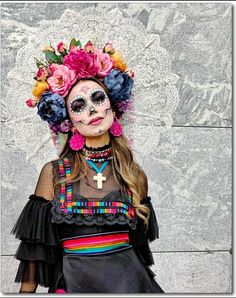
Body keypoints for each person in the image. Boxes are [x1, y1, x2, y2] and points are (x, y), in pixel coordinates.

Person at [11, 38, 165, 293]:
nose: (92, 110)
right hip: (74, 285)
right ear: (68, 120)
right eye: (79, 105)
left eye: (98, 98)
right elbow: (35, 252)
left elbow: (138, 253)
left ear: (114, 108)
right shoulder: (54, 173)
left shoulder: (134, 175)